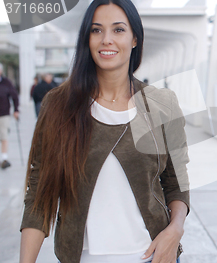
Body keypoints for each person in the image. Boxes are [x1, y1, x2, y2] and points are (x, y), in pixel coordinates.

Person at [20, 1, 190, 263]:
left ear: (135, 38)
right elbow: (38, 196)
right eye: (96, 30)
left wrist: (175, 231)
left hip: (154, 255)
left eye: (118, 30)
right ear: (86, 38)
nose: (106, 40)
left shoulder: (162, 104)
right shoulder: (59, 105)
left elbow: (176, 184)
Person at [0, 62, 19, 169]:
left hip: (4, 114)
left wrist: (16, 110)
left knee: (4, 136)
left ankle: (4, 159)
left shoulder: (6, 82)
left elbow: (14, 96)